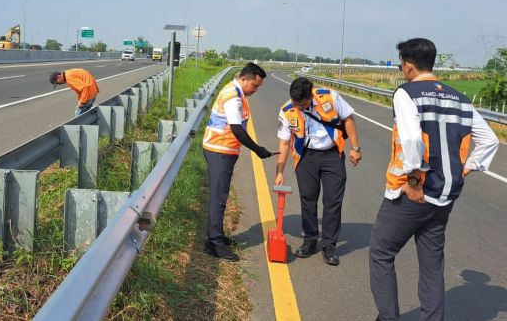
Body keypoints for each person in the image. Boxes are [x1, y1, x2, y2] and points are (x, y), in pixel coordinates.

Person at [369, 38, 499, 321]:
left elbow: (413, 139)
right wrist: (464, 169)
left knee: (381, 253)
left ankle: (388, 317)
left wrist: (414, 181)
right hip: (445, 197)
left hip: (413, 194)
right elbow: (489, 140)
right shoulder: (460, 99)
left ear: (408, 65)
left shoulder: (407, 93)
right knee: (432, 267)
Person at [274, 77, 361, 265]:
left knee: (333, 201)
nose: (299, 108)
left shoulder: (330, 97)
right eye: (296, 104)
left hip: (332, 155)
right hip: (306, 157)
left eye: (303, 105)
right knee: (308, 199)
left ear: (311, 96)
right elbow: (284, 142)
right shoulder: (287, 110)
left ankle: (329, 245)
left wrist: (355, 148)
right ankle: (310, 240)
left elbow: (348, 119)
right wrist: (279, 171)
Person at [202, 62, 275, 262]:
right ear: (244, 79)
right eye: (255, 85)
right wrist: (258, 149)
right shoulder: (233, 96)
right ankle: (214, 244)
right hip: (219, 150)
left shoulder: (236, 92)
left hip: (223, 149)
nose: (255, 90)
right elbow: (236, 128)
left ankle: (216, 237)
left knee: (220, 196)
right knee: (218, 198)